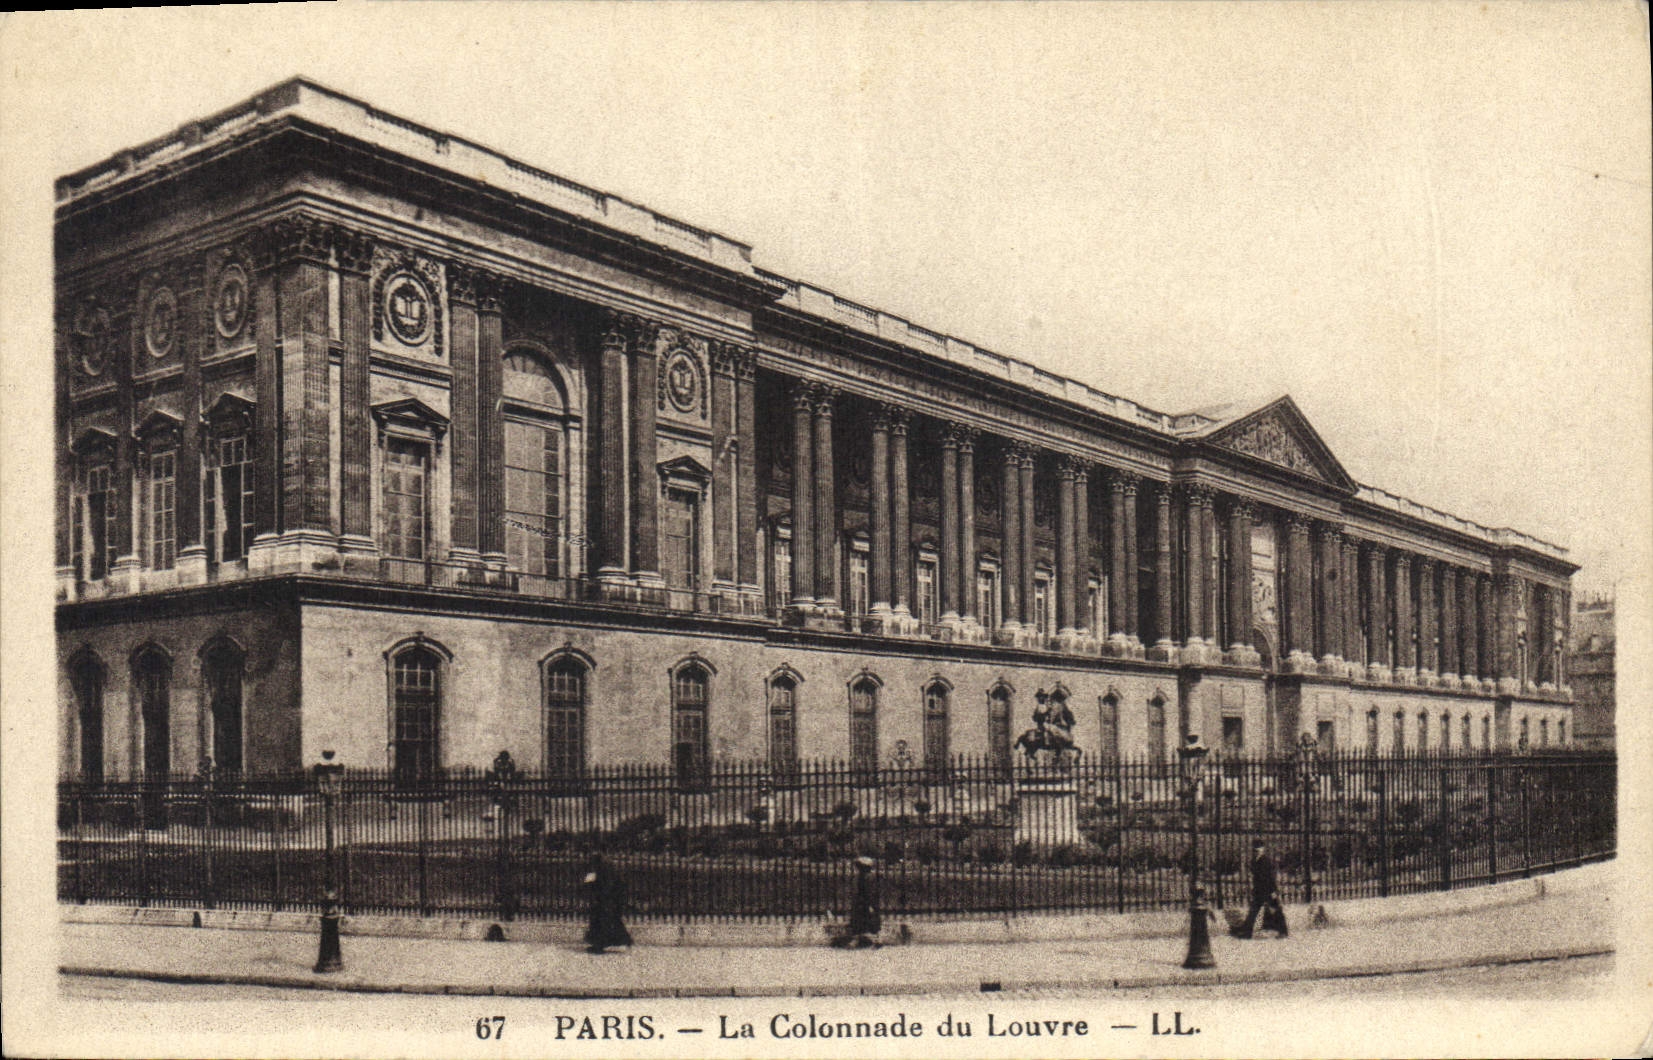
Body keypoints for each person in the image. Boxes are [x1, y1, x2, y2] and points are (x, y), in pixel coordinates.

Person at [1233, 839, 1288, 939]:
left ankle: (1283, 931)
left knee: (1276, 910)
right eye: (1255, 848)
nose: (1256, 850)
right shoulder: (1255, 861)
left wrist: (1274, 891)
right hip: (1259, 890)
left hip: (1268, 890)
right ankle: (1247, 933)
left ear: (1263, 849)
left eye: (1259, 848)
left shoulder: (1266, 861)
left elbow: (1271, 877)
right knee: (1253, 911)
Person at [582, 854, 632, 954]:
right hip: (609, 900)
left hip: (607, 901)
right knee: (611, 922)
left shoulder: (604, 868)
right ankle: (623, 941)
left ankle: (599, 945)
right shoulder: (607, 867)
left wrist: (592, 881)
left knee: (603, 922)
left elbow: (606, 886)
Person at [834, 856, 881, 948]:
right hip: (861, 902)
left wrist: (870, 905)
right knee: (859, 921)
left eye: (860, 866)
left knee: (869, 921)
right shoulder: (862, 877)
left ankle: (876, 940)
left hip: (866, 902)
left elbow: (870, 892)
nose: (858, 869)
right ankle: (860, 939)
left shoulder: (868, 878)